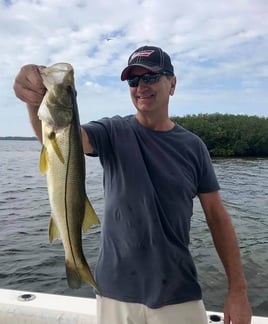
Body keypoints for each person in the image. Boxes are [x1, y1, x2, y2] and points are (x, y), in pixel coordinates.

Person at [14, 45, 252, 324]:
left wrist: (238, 289)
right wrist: (33, 99)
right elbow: (62, 141)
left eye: (151, 77)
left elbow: (217, 217)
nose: (141, 86)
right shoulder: (112, 132)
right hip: (114, 292)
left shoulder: (193, 147)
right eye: (133, 80)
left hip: (178, 293)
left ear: (172, 84)